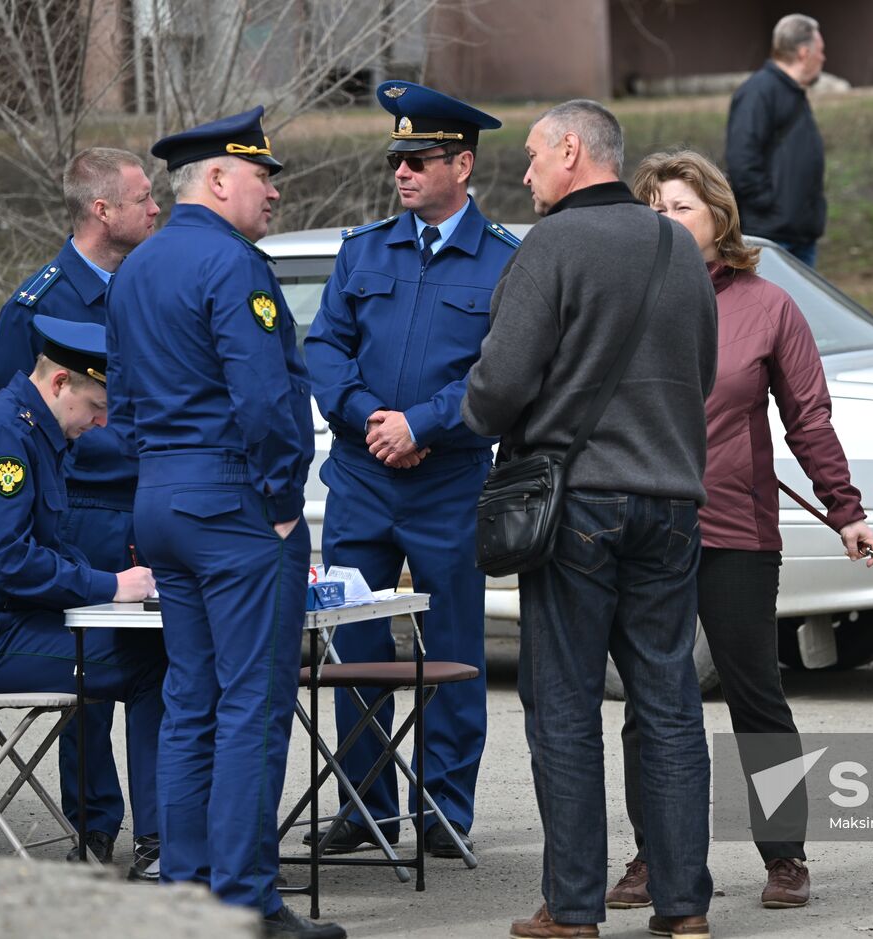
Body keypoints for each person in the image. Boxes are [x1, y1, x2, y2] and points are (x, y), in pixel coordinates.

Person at [462, 100, 717, 939]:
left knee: (564, 707)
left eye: (534, 156)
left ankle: (574, 909)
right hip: (673, 501)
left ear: (573, 151)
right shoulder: (678, 245)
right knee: (671, 702)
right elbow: (701, 371)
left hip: (574, 503)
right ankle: (684, 909)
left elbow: (496, 390)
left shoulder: (553, 246)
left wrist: (482, 412)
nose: (526, 173)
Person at [603, 149, 873, 913]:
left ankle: (784, 853)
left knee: (756, 695)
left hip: (737, 530)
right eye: (652, 208)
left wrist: (845, 510)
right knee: (651, 701)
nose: (664, 220)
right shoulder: (627, 298)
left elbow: (809, 419)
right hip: (645, 530)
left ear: (718, 218)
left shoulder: (767, 306)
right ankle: (651, 856)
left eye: (680, 207)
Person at [105, 108, 338, 939]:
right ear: (216, 179)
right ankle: (243, 900)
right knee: (252, 701)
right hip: (235, 507)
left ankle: (189, 889)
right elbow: (268, 399)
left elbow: (122, 404)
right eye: (261, 176)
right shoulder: (232, 264)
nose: (272, 191)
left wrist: (157, 485)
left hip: (163, 499)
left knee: (191, 697)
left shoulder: (136, 267)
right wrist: (279, 505)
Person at [302, 82, 518, 859]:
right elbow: (324, 348)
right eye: (396, 157)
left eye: (419, 158)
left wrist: (423, 424)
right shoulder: (365, 249)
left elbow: (506, 371)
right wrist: (370, 418)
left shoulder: (502, 262)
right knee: (353, 647)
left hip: (447, 482)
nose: (402, 171)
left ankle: (442, 810)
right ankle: (365, 805)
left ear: (462, 164)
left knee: (451, 648)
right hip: (363, 477)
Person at [0, 146, 162, 871]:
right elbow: (13, 429)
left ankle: (160, 832)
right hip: (79, 510)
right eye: (144, 197)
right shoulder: (38, 302)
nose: (156, 209)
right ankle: (93, 825)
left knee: (153, 653)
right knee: (85, 676)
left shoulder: (149, 285)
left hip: (148, 510)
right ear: (102, 210)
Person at [0, 316, 163, 881]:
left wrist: (122, 584)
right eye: (97, 405)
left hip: (8, 624)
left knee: (159, 652)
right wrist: (108, 587)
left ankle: (161, 835)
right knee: (155, 667)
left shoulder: (34, 432)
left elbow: (48, 546)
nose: (102, 422)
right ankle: (160, 843)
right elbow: (9, 561)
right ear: (58, 385)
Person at [725, 13, 827, 267]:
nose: (823, 58)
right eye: (820, 51)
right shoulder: (759, 92)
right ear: (804, 53)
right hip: (772, 237)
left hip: (796, 235)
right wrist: (771, 207)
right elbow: (742, 161)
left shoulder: (791, 92)